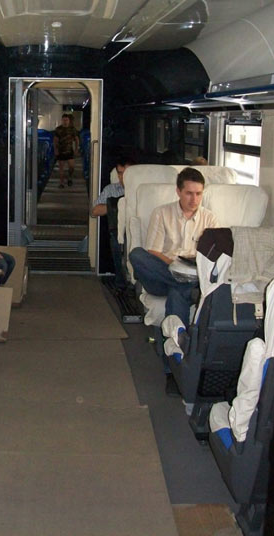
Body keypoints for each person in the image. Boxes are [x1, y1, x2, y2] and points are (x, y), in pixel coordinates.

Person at [129, 167, 219, 394]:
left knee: (177, 295)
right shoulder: (162, 213)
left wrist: (191, 270)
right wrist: (175, 267)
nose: (194, 199)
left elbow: (214, 257)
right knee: (137, 255)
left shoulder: (209, 219)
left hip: (193, 276)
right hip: (163, 274)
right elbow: (153, 250)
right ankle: (183, 285)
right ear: (178, 192)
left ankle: (172, 369)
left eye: (198, 194)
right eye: (189, 193)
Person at [91, 157, 134, 290]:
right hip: (120, 231)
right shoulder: (111, 190)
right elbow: (94, 211)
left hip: (139, 229)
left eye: (126, 173)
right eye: (119, 173)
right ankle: (121, 282)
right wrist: (115, 206)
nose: (122, 177)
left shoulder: (143, 190)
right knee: (116, 238)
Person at [53, 113, 80, 188]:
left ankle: (69, 178)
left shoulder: (72, 129)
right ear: (62, 120)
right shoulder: (58, 129)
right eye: (64, 120)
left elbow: (77, 140)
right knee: (61, 168)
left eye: (66, 120)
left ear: (69, 121)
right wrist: (55, 149)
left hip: (69, 150)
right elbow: (55, 140)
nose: (65, 121)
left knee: (71, 167)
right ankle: (61, 183)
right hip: (61, 150)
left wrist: (76, 149)